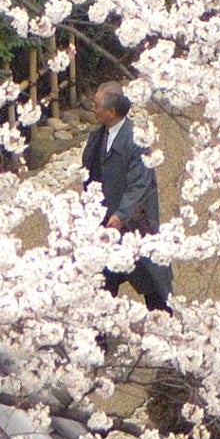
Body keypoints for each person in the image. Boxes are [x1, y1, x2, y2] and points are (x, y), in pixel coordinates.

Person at [79, 85, 169, 309]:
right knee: (101, 281)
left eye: (97, 106)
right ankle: (100, 327)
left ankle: (163, 323)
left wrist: (121, 214)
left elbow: (140, 183)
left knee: (151, 279)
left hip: (135, 223)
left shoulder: (135, 140)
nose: (93, 110)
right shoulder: (97, 137)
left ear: (111, 112)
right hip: (104, 221)